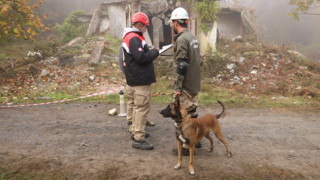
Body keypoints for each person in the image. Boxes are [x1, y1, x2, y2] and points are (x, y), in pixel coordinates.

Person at [121, 12, 159, 150]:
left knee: (134, 106)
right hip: (140, 80)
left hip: (132, 79)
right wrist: (155, 52)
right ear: (139, 25)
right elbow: (141, 58)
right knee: (141, 108)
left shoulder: (128, 36)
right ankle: (139, 138)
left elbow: (123, 60)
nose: (145, 29)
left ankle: (134, 130)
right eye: (145, 27)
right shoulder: (134, 38)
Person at [170, 7, 202, 155]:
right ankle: (197, 139)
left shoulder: (182, 39)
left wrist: (177, 86)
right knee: (193, 111)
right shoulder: (193, 37)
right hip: (195, 81)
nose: (172, 25)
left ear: (176, 22)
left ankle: (187, 146)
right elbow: (197, 61)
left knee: (184, 114)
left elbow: (182, 64)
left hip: (186, 84)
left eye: (172, 22)